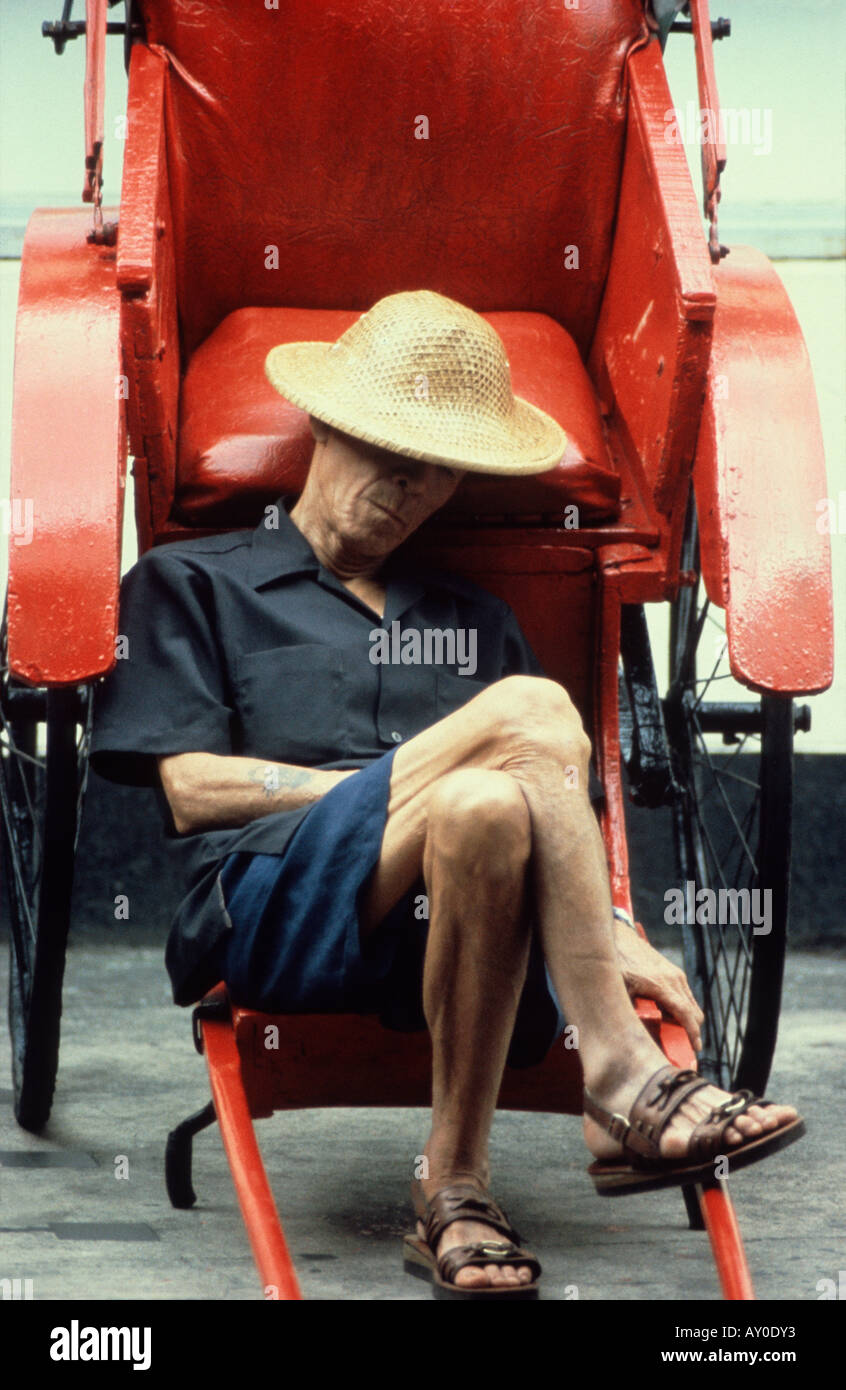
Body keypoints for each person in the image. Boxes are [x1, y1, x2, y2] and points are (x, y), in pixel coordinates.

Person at [91, 290, 804, 1300]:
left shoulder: (471, 617)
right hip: (271, 905)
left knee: (484, 805)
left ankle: (455, 1190)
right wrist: (398, 789)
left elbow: (540, 802)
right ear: (327, 426)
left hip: (472, 919)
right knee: (520, 720)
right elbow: (195, 789)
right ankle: (623, 1076)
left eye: (434, 471)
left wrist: (605, 924)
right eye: (387, 450)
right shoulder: (192, 581)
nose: (405, 486)